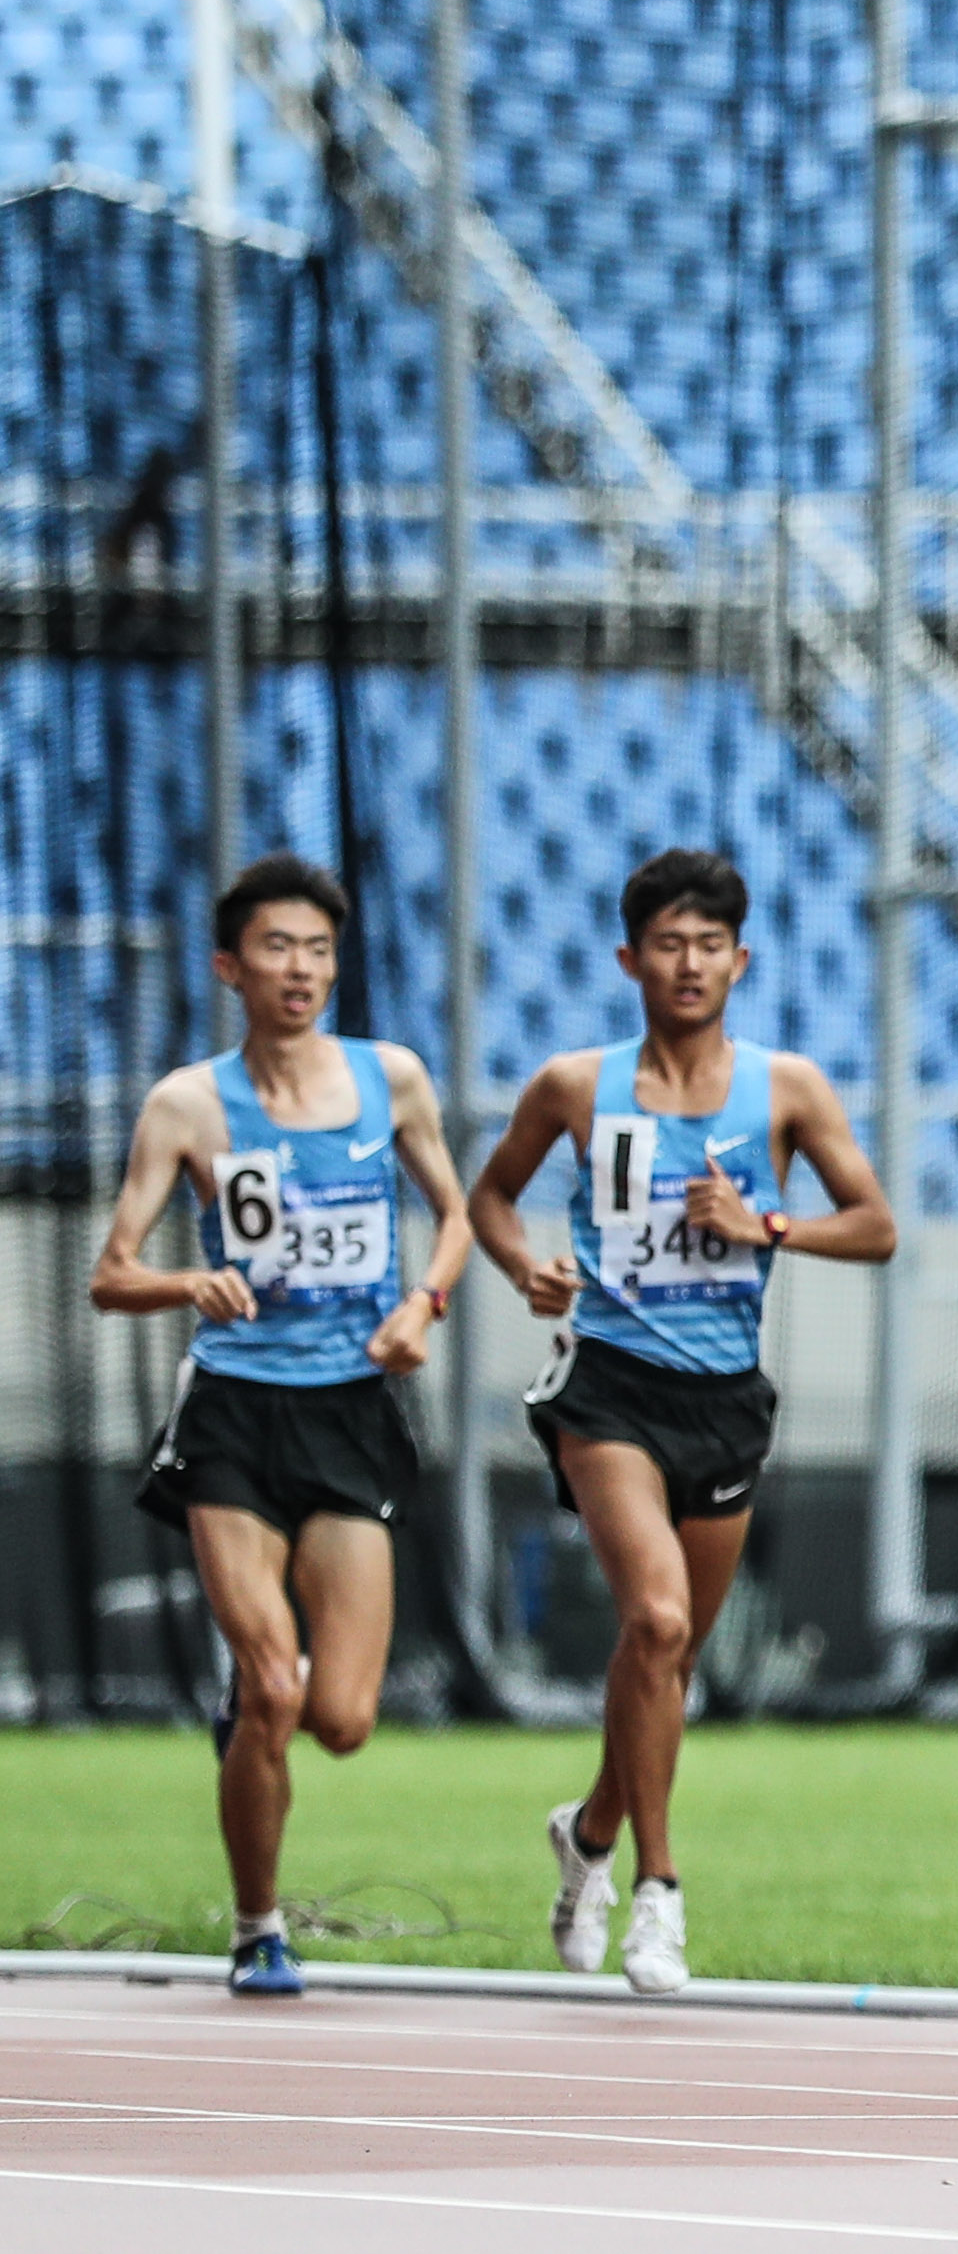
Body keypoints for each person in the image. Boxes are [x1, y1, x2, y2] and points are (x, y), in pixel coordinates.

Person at [470, 848, 895, 1999]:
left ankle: (590, 1829)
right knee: (653, 1618)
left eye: (711, 943)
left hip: (724, 1396)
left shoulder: (786, 1089)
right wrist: (524, 1268)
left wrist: (767, 1224)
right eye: (668, 941)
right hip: (607, 1382)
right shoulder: (574, 1084)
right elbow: (491, 1193)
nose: (690, 961)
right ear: (630, 958)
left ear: (740, 959)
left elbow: (876, 1224)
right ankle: (658, 1888)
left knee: (671, 1655)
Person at [92, 855, 472, 1999]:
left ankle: (256, 1708)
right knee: (272, 1684)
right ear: (230, 965)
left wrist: (425, 1303)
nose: (298, 968)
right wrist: (185, 1284)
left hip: (350, 1409)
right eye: (275, 947)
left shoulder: (392, 1078)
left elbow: (453, 1216)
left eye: (316, 949)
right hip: (234, 1415)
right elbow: (111, 1274)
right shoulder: (189, 1103)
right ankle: (259, 1924)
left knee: (344, 1716)